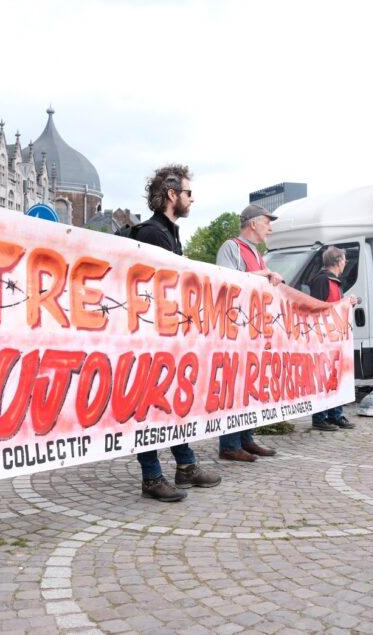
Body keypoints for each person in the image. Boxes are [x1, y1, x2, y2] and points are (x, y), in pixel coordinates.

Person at [131, 164, 221, 502]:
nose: (191, 199)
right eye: (187, 193)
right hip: (150, 338)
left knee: (171, 404)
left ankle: (185, 466)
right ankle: (152, 477)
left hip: (169, 336)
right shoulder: (153, 234)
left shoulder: (169, 233)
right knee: (151, 407)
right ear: (172, 195)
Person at [215, 204, 284, 461]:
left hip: (251, 329)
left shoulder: (256, 253)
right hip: (234, 329)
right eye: (267, 221)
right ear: (253, 223)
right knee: (234, 386)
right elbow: (224, 281)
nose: (270, 227)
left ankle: (245, 438)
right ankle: (229, 444)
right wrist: (263, 274)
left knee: (248, 385)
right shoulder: (231, 247)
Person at [308, 246, 358, 431]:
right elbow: (317, 308)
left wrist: (347, 303)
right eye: (344, 259)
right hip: (325, 339)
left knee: (336, 378)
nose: (345, 262)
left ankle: (335, 415)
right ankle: (320, 418)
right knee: (324, 379)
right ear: (337, 261)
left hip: (335, 339)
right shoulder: (322, 280)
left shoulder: (334, 281)